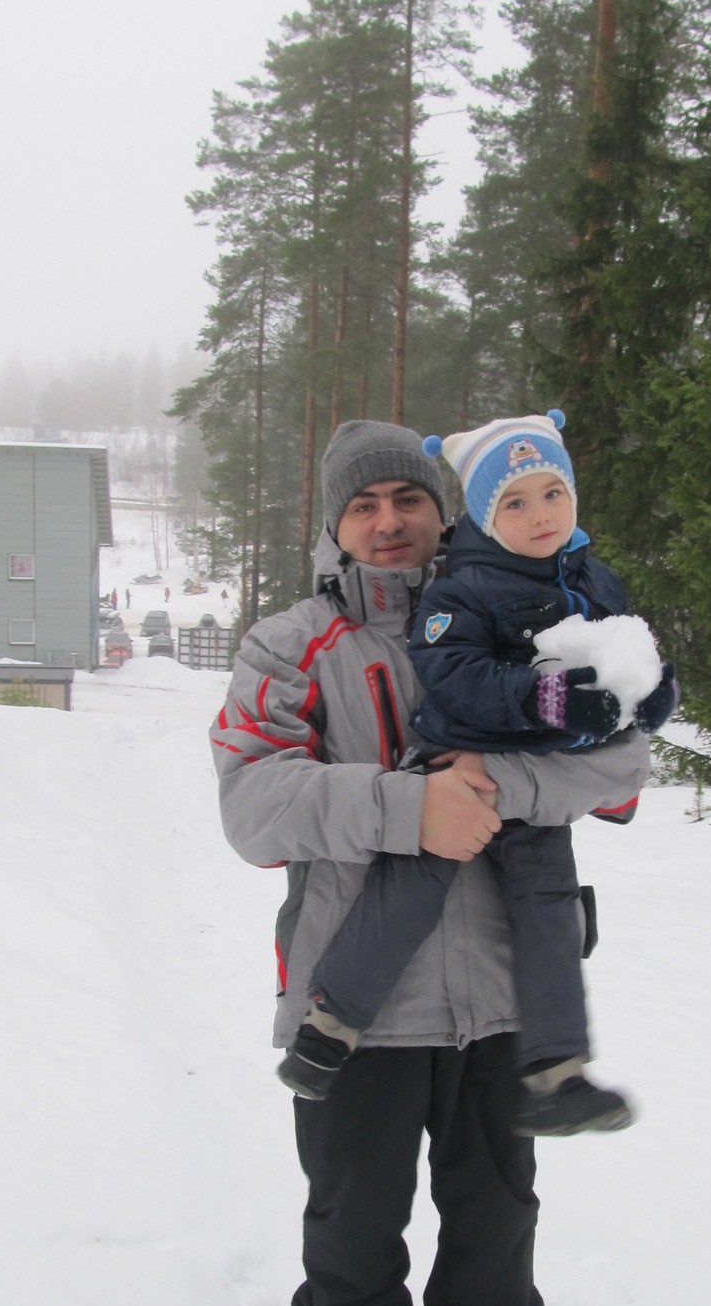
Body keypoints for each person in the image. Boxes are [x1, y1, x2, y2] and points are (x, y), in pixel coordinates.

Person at [211, 419, 651, 1306]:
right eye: (364, 506)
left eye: (408, 499)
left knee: (496, 1229)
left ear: (445, 510)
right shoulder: (291, 645)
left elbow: (624, 761)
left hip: (506, 1000)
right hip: (354, 1004)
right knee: (352, 1227)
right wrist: (412, 807)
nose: (389, 522)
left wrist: (499, 786)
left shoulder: (532, 610)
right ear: (335, 526)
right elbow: (253, 807)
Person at [279, 410, 677, 1136]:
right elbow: (455, 675)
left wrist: (649, 691)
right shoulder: (456, 591)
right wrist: (544, 702)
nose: (539, 515)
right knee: (407, 893)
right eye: (514, 503)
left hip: (528, 799)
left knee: (550, 907)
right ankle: (330, 1024)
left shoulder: (593, 581)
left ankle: (557, 1074)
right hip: (448, 760)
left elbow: (625, 735)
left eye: (552, 494)